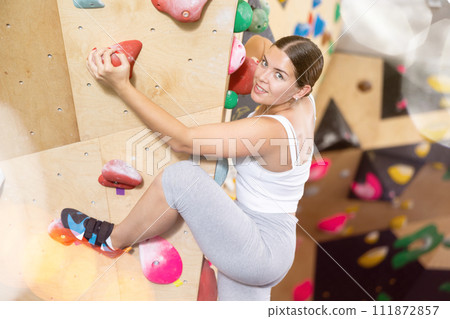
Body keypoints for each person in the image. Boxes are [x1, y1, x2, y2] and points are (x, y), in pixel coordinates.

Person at [59, 35, 323, 300]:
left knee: (181, 178)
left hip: (259, 249)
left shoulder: (271, 131)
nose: (262, 76)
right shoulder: (304, 104)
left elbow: (182, 141)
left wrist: (121, 86)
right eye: (265, 63)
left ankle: (110, 239)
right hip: (273, 243)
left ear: (301, 89)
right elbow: (258, 45)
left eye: (279, 75)